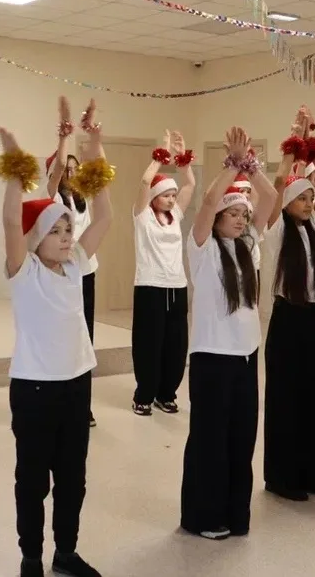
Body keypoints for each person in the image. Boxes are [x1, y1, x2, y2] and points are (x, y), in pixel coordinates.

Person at [0, 97, 112, 577]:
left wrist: (95, 147)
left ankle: (66, 551)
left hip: (76, 384)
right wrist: (15, 164)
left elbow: (102, 217)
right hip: (35, 389)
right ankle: (31, 556)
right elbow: (11, 220)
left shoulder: (77, 266)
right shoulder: (24, 272)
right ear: (36, 239)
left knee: (72, 479)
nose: (67, 236)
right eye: (57, 230)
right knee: (32, 481)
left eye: (68, 228)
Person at [180, 126, 278, 541]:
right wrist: (230, 166)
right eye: (233, 213)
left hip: (245, 356)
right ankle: (203, 516)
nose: (240, 219)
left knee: (241, 437)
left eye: (243, 214)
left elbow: (270, 198)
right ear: (218, 218)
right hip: (212, 356)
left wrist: (250, 167)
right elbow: (206, 201)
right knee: (211, 439)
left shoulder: (248, 246)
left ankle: (236, 513)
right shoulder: (202, 249)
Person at [262, 106, 315, 500]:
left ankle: (308, 472)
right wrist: (292, 144)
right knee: (286, 399)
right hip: (289, 318)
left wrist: (313, 148)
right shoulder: (276, 231)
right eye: (302, 198)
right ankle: (281, 477)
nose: (309, 202)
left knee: (312, 395)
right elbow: (277, 182)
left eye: (310, 197)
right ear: (287, 202)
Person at [130, 130, 195, 417]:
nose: (171, 200)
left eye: (173, 195)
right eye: (166, 195)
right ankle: (143, 395)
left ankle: (166, 394)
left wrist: (182, 159)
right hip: (150, 286)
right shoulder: (142, 216)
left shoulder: (176, 216)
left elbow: (190, 184)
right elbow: (145, 181)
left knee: (176, 345)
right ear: (154, 197)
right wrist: (161, 154)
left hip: (177, 286)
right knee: (149, 344)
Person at [47, 102, 99, 428]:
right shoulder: (52, 197)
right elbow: (55, 173)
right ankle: (59, 401)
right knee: (63, 335)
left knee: (85, 339)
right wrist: (65, 138)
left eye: (75, 169)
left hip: (86, 273)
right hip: (61, 275)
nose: (72, 173)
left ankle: (83, 404)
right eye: (67, 169)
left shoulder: (83, 201)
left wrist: (93, 136)